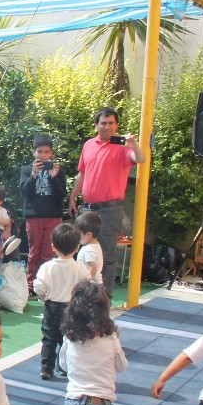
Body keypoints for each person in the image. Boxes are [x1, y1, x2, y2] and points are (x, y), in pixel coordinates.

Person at [69, 108, 144, 296]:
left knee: (107, 255)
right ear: (96, 125)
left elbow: (140, 159)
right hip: (87, 208)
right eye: (103, 123)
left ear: (116, 125)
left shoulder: (123, 147)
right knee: (82, 251)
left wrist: (134, 145)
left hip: (110, 209)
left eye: (111, 123)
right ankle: (84, 295)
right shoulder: (88, 145)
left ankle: (105, 299)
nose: (107, 127)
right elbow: (83, 173)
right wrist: (73, 196)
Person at [34, 223, 90, 381]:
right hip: (72, 308)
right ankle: (64, 366)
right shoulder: (80, 268)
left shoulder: (47, 267)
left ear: (53, 247)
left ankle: (46, 368)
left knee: (49, 339)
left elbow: (38, 285)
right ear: (77, 248)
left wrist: (43, 295)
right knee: (70, 339)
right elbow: (87, 285)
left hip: (52, 306)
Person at [19, 134, 66, 289]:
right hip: (34, 216)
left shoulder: (58, 171)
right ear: (34, 152)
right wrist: (33, 176)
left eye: (46, 152)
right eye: (40, 151)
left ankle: (45, 284)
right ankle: (30, 284)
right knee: (34, 252)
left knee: (49, 252)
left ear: (51, 153)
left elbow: (61, 195)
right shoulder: (26, 170)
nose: (43, 155)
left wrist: (53, 177)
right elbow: (25, 193)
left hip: (53, 216)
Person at [74, 211, 104, 286]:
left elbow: (92, 268)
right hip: (96, 284)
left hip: (91, 286)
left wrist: (86, 284)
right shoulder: (96, 245)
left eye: (79, 234)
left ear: (89, 234)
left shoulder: (89, 250)